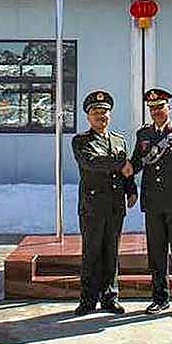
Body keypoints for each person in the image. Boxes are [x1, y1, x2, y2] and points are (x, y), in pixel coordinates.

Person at [128, 87, 172, 317]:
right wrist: (128, 183)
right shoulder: (143, 135)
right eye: (152, 108)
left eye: (160, 107)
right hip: (153, 203)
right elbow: (135, 164)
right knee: (156, 254)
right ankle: (160, 298)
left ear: (168, 108)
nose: (156, 112)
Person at [70, 90, 138, 316]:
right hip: (93, 207)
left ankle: (110, 297)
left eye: (105, 113)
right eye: (97, 113)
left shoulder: (119, 140)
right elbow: (92, 163)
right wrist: (120, 164)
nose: (102, 117)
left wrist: (131, 190)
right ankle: (88, 300)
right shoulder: (81, 141)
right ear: (88, 117)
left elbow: (127, 172)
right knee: (92, 253)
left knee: (111, 252)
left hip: (115, 206)